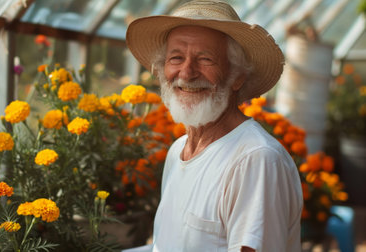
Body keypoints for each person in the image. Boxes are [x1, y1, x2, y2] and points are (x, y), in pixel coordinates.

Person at [125, 0, 303, 251]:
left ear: (237, 77)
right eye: (176, 58)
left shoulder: (255, 159)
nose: (186, 73)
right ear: (162, 70)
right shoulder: (178, 151)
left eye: (205, 59)